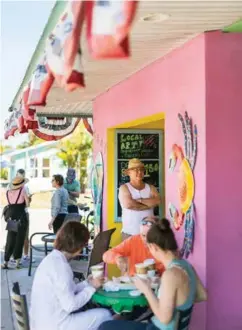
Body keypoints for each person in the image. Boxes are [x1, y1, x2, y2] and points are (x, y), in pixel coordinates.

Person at [99, 218, 207, 330]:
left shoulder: (170, 275)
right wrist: (174, 301)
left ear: (154, 247)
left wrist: (147, 290)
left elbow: (165, 319)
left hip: (156, 328)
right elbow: (202, 295)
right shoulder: (187, 266)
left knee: (104, 327)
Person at [30, 221, 112, 330]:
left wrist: (87, 283)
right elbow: (70, 305)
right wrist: (92, 288)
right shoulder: (61, 266)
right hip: (55, 325)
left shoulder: (52, 259)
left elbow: (67, 291)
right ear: (78, 246)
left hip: (41, 322)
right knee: (104, 315)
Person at [119, 158, 161, 241]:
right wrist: (148, 205)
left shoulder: (151, 188)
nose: (139, 172)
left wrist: (140, 200)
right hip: (129, 234)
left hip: (149, 234)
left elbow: (157, 201)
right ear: (129, 173)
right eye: (136, 170)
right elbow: (129, 205)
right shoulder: (124, 188)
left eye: (141, 170)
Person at [1, 176, 30, 269]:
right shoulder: (23, 191)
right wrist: (28, 198)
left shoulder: (8, 192)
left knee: (10, 238)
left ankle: (6, 262)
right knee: (19, 239)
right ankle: (17, 263)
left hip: (11, 216)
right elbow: (27, 204)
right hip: (21, 216)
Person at [16, 169, 32, 261]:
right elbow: (28, 204)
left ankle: (13, 257)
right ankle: (25, 255)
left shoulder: (10, 188)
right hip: (23, 214)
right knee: (25, 235)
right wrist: (28, 199)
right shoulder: (25, 188)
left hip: (12, 214)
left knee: (13, 235)